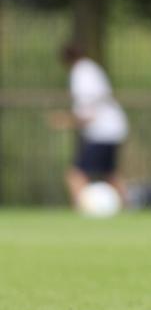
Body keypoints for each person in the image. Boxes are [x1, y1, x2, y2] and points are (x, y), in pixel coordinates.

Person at [52, 43, 129, 207]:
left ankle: (82, 209)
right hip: (114, 128)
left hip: (102, 131)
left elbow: (87, 115)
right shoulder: (91, 68)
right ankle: (128, 208)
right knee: (111, 173)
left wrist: (65, 121)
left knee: (75, 175)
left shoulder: (81, 73)